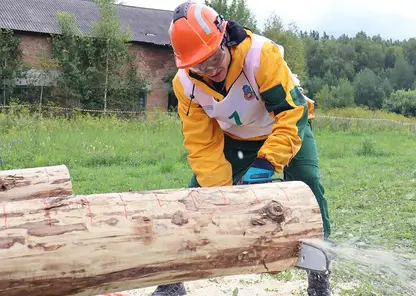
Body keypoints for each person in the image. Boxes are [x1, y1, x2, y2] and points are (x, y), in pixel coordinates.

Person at [151, 1, 332, 295]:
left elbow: (290, 112)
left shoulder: (260, 56)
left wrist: (269, 161)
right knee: (197, 196)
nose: (211, 70)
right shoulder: (185, 85)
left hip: (286, 127)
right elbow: (202, 145)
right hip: (235, 138)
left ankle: (320, 275)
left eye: (214, 57)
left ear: (225, 37)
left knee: (309, 183)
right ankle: (172, 281)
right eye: (199, 64)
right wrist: (225, 197)